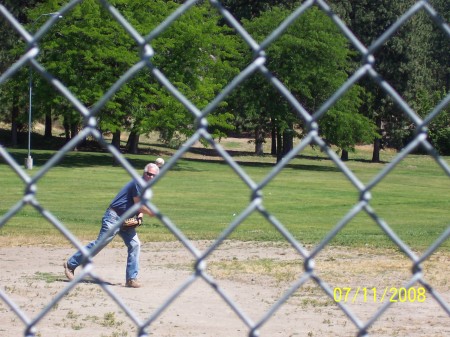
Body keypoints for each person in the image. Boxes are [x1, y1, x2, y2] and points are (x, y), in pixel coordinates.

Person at [63, 163, 160, 288]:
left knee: (135, 244)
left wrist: (139, 218)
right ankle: (70, 264)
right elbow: (139, 205)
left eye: (154, 175)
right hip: (113, 217)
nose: (151, 177)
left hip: (126, 220)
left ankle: (131, 279)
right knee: (101, 243)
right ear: (144, 173)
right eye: (149, 174)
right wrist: (153, 213)